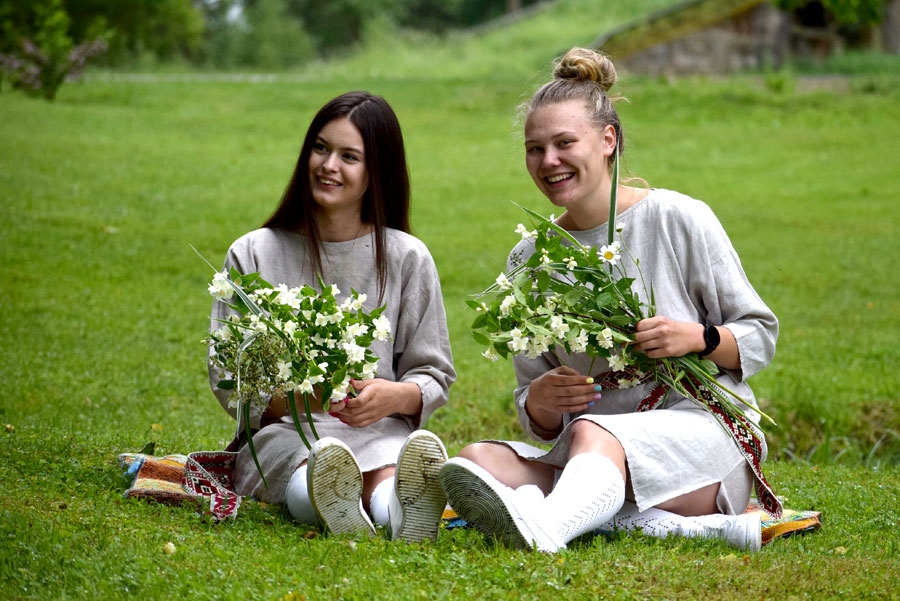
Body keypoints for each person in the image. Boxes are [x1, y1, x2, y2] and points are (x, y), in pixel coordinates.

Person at [439, 48, 778, 553]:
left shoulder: (678, 218)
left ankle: (546, 530)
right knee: (472, 463)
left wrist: (700, 338)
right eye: (535, 149)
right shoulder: (530, 259)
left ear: (607, 140)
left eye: (563, 143)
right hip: (588, 455)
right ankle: (687, 529)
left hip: (701, 444)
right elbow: (534, 406)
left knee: (598, 432)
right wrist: (542, 402)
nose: (548, 161)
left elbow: (759, 335)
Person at [209, 91, 456, 542]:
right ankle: (330, 507)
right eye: (320, 148)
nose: (328, 165)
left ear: (376, 171)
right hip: (285, 433)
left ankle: (397, 514)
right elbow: (231, 379)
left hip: (379, 428)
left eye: (349, 156)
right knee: (316, 467)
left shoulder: (406, 257)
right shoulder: (254, 253)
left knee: (387, 472)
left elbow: (433, 373)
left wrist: (392, 397)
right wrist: (313, 400)